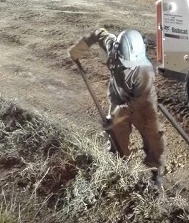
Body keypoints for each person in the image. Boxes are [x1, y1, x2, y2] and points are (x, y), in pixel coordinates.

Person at [68, 28, 165, 191]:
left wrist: (116, 115)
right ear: (117, 49)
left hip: (142, 104)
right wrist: (78, 49)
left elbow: (137, 104)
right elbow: (98, 34)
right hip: (118, 96)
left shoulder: (145, 71)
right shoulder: (113, 46)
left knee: (154, 138)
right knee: (115, 136)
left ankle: (155, 173)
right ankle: (119, 168)